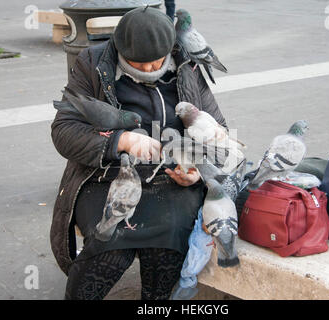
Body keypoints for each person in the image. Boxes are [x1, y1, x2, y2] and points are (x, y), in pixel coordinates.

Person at [50, 6, 227, 300]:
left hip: (171, 180)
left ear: (170, 49)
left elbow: (217, 129)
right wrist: (121, 140)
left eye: (155, 62)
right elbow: (64, 130)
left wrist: (196, 171)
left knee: (167, 247)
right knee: (110, 249)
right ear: (119, 49)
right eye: (136, 62)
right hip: (107, 177)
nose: (147, 70)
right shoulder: (92, 63)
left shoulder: (187, 65)